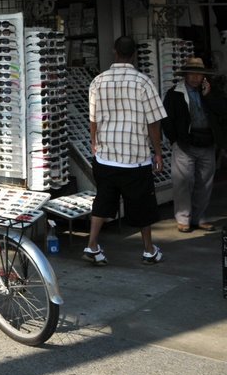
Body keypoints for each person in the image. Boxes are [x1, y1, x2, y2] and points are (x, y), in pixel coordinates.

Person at [84, 36, 167, 266]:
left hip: (106, 155)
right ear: (134, 55)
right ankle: (149, 250)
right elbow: (153, 122)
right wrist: (158, 152)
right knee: (143, 206)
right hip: (135, 158)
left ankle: (91, 245)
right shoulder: (143, 82)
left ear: (114, 52)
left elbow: (93, 119)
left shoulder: (98, 81)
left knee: (102, 202)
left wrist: (94, 143)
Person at [162, 57, 227, 233]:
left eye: (198, 74)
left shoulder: (211, 92)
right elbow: (167, 120)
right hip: (185, 143)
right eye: (192, 73)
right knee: (182, 182)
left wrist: (209, 96)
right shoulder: (174, 93)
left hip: (207, 142)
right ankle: (183, 218)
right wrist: (174, 139)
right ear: (185, 75)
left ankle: (199, 217)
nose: (195, 77)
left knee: (204, 183)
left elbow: (223, 111)